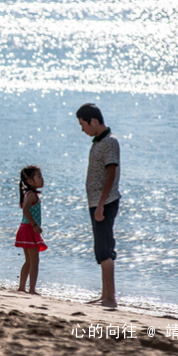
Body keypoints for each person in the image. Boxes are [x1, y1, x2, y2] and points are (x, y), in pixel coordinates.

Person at [76, 103, 121, 308]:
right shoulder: (99, 142)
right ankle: (105, 295)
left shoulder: (110, 142)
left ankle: (110, 298)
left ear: (93, 121)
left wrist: (102, 204)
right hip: (96, 202)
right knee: (100, 249)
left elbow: (111, 173)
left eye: (83, 124)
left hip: (105, 202)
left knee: (104, 250)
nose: (82, 129)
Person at [15, 165, 48, 295]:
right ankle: (32, 289)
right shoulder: (32, 195)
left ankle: (22, 287)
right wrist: (35, 225)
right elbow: (26, 210)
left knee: (28, 261)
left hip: (24, 228)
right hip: (29, 229)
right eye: (39, 176)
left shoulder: (29, 194)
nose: (42, 179)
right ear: (30, 181)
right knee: (34, 261)